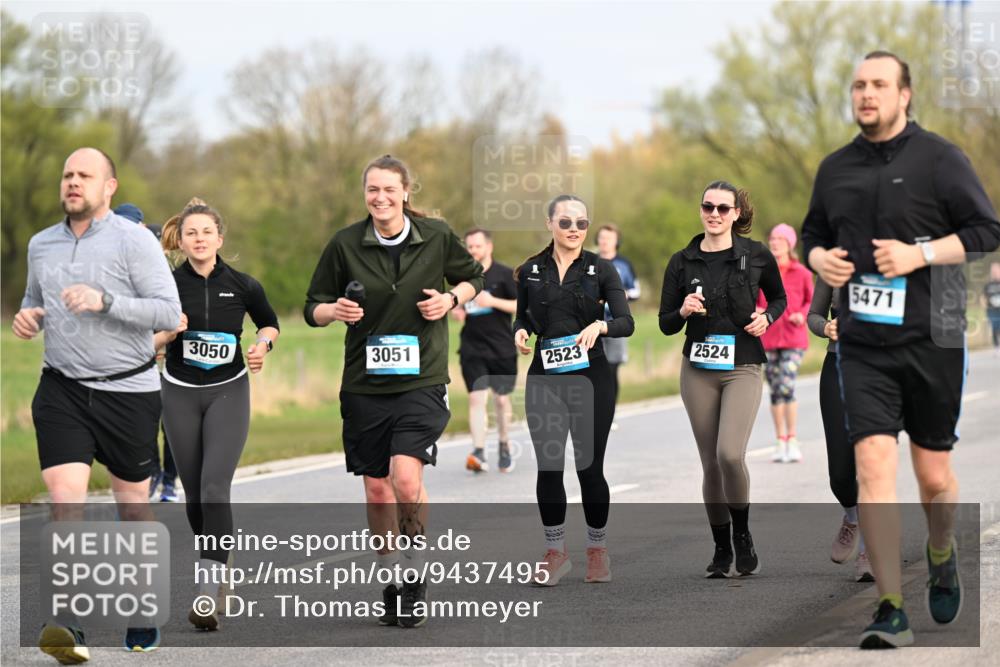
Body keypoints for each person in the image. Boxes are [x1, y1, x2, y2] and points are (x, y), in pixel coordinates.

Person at [801, 51, 1000, 648]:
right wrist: (818, 259)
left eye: (879, 84)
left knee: (934, 476)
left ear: (904, 94)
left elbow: (988, 231)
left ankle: (941, 549)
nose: (867, 93)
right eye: (859, 84)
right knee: (872, 469)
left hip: (933, 333)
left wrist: (920, 254)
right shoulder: (835, 168)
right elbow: (813, 233)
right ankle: (890, 607)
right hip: (861, 341)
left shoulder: (940, 159)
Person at [13, 147, 181, 661]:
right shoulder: (41, 244)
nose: (73, 182)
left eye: (85, 175)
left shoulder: (134, 241)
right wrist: (29, 318)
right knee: (66, 502)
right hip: (62, 388)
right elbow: (29, 299)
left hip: (128, 390)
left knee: (133, 507)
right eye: (67, 174)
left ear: (109, 186)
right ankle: (69, 622)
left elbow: (168, 312)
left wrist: (106, 301)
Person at [304, 155, 484, 628]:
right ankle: (389, 580)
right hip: (364, 385)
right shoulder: (344, 244)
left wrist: (451, 299)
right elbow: (312, 307)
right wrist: (334, 312)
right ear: (364, 194)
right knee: (378, 489)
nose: (380, 198)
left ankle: (415, 574)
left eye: (389, 189)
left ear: (406, 192)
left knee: (406, 479)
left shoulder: (437, 236)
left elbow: (474, 278)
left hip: (422, 380)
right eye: (372, 190)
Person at [154, 197, 280, 631]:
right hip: (180, 392)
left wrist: (263, 345)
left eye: (207, 231)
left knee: (213, 488)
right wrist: (168, 333)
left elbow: (269, 323)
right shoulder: (165, 286)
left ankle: (206, 594)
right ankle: (219, 565)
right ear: (182, 241)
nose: (200, 239)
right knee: (193, 497)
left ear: (219, 238)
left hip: (228, 391)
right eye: (192, 233)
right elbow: (144, 341)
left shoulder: (244, 285)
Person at [658, 181, 786, 579]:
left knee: (731, 454)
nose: (714, 214)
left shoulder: (757, 255)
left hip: (742, 365)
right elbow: (664, 323)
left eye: (723, 208)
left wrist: (767, 317)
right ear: (701, 211)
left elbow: (779, 298)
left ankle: (743, 535)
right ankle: (720, 548)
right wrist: (682, 310)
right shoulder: (682, 261)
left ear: (736, 214)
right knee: (711, 463)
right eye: (708, 207)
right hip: (698, 368)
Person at [513, 194, 634, 586]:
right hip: (545, 377)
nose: (574, 230)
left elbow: (626, 321)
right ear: (549, 224)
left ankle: (597, 550)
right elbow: (523, 316)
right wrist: (520, 332)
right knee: (549, 466)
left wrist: (602, 326)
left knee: (588, 467)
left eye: (581, 224)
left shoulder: (602, 270)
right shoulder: (531, 270)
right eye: (565, 222)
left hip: (591, 376)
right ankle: (555, 552)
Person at [113, 203, 180, 502]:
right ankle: (153, 473)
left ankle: (168, 481)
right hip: (139, 362)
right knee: (146, 425)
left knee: (173, 426)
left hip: (168, 360)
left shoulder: (165, 271)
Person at [808, 278, 874, 582]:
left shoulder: (895, 258)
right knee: (840, 475)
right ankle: (851, 516)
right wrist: (826, 328)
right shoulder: (833, 264)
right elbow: (814, 315)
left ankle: (869, 550)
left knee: (872, 466)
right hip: (837, 366)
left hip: (881, 370)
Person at [451, 228, 518, 474]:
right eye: (469, 247)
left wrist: (492, 302)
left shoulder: (505, 274)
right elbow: (455, 301)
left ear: (488, 247)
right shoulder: (462, 276)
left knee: (501, 400)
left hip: (501, 348)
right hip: (472, 346)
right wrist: (455, 309)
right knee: (476, 397)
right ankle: (478, 451)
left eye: (477, 246)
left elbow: (521, 305)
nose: (473, 251)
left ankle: (504, 445)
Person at [757, 224, 813, 463]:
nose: (775, 242)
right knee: (774, 390)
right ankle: (780, 441)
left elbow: (812, 300)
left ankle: (792, 439)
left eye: (780, 239)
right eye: (772, 238)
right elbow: (754, 300)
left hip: (793, 337)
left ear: (790, 244)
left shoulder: (802, 272)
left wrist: (802, 313)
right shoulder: (762, 271)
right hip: (768, 337)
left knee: (786, 385)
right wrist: (757, 309)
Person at [595, 224, 641, 421]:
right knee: (593, 369)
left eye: (609, 238)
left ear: (616, 242)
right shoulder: (588, 262)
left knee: (611, 368)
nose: (605, 241)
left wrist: (622, 295)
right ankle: (594, 411)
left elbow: (636, 291)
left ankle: (609, 413)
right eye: (602, 238)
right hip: (591, 324)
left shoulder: (624, 264)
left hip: (615, 324)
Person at [985, 262, 1000, 355]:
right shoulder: (988, 285)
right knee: (995, 327)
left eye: (996, 270)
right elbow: (984, 297)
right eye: (993, 270)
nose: (994, 272)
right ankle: (997, 348)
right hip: (992, 310)